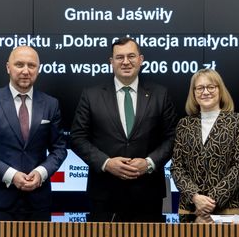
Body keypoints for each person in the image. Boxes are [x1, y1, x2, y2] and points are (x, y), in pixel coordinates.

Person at [70, 37, 177, 222]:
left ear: (141, 59)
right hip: (104, 194)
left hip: (148, 195)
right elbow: (77, 138)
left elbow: (172, 137)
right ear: (111, 62)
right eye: (120, 57)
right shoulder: (91, 95)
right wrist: (106, 163)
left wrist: (149, 163)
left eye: (131, 56)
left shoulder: (160, 94)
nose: (126, 62)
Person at [0, 46, 67, 220]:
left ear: (38, 69)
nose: (25, 71)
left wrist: (41, 173)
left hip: (38, 201)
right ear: (8, 67)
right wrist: (11, 175)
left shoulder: (51, 104)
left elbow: (59, 149)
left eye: (31, 65)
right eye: (19, 64)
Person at [171, 69, 239, 218]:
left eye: (211, 87)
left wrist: (210, 201)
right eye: (200, 88)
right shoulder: (184, 124)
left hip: (227, 207)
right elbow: (177, 167)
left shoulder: (237, 121)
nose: (205, 92)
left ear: (220, 90)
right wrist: (195, 197)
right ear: (194, 93)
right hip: (190, 207)